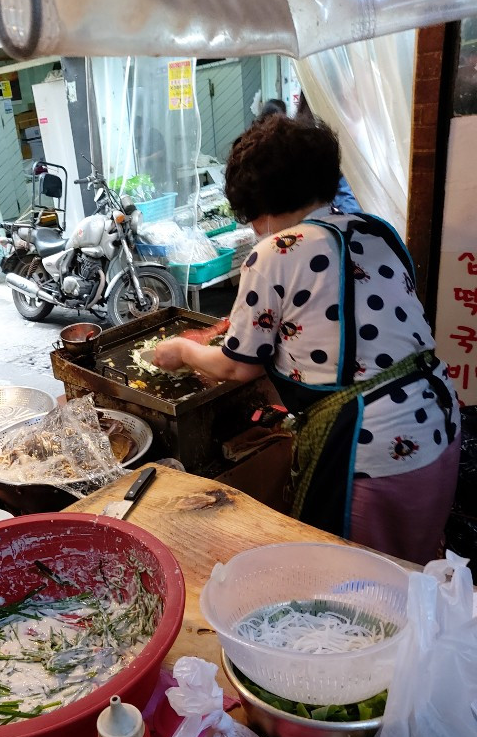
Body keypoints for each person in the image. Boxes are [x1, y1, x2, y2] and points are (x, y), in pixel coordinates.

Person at [153, 114, 460, 565]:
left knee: (358, 580)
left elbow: (239, 366)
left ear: (257, 203)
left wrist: (181, 350)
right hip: (438, 421)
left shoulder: (276, 250)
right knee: (412, 573)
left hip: (372, 443)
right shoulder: (376, 230)